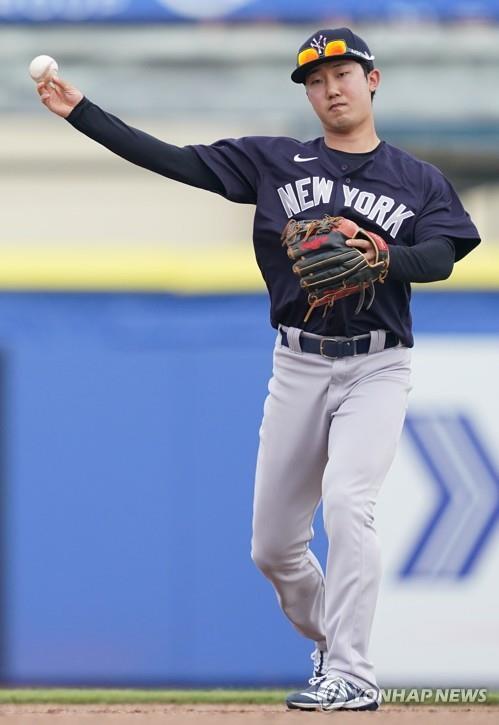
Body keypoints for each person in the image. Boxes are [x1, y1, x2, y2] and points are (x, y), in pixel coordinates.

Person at [36, 27, 480, 712]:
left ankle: (352, 674)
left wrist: (381, 258)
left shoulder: (417, 179)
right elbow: (175, 161)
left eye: (342, 73)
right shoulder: (276, 161)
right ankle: (334, 642)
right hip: (297, 363)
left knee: (349, 503)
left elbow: (444, 255)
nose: (329, 87)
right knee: (273, 549)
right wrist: (83, 112)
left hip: (376, 366)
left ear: (373, 79)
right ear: (306, 93)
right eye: (314, 79)